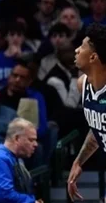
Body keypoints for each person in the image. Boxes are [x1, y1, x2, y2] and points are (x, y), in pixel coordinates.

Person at [67, 23, 106, 201]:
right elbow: (99, 128)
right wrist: (79, 161)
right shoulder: (83, 84)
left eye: (82, 46)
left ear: (93, 57)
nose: (76, 50)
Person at [0, 118, 39, 203]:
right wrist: (31, 201)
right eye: (31, 140)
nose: (35, 144)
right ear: (17, 138)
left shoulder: (13, 159)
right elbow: (4, 196)